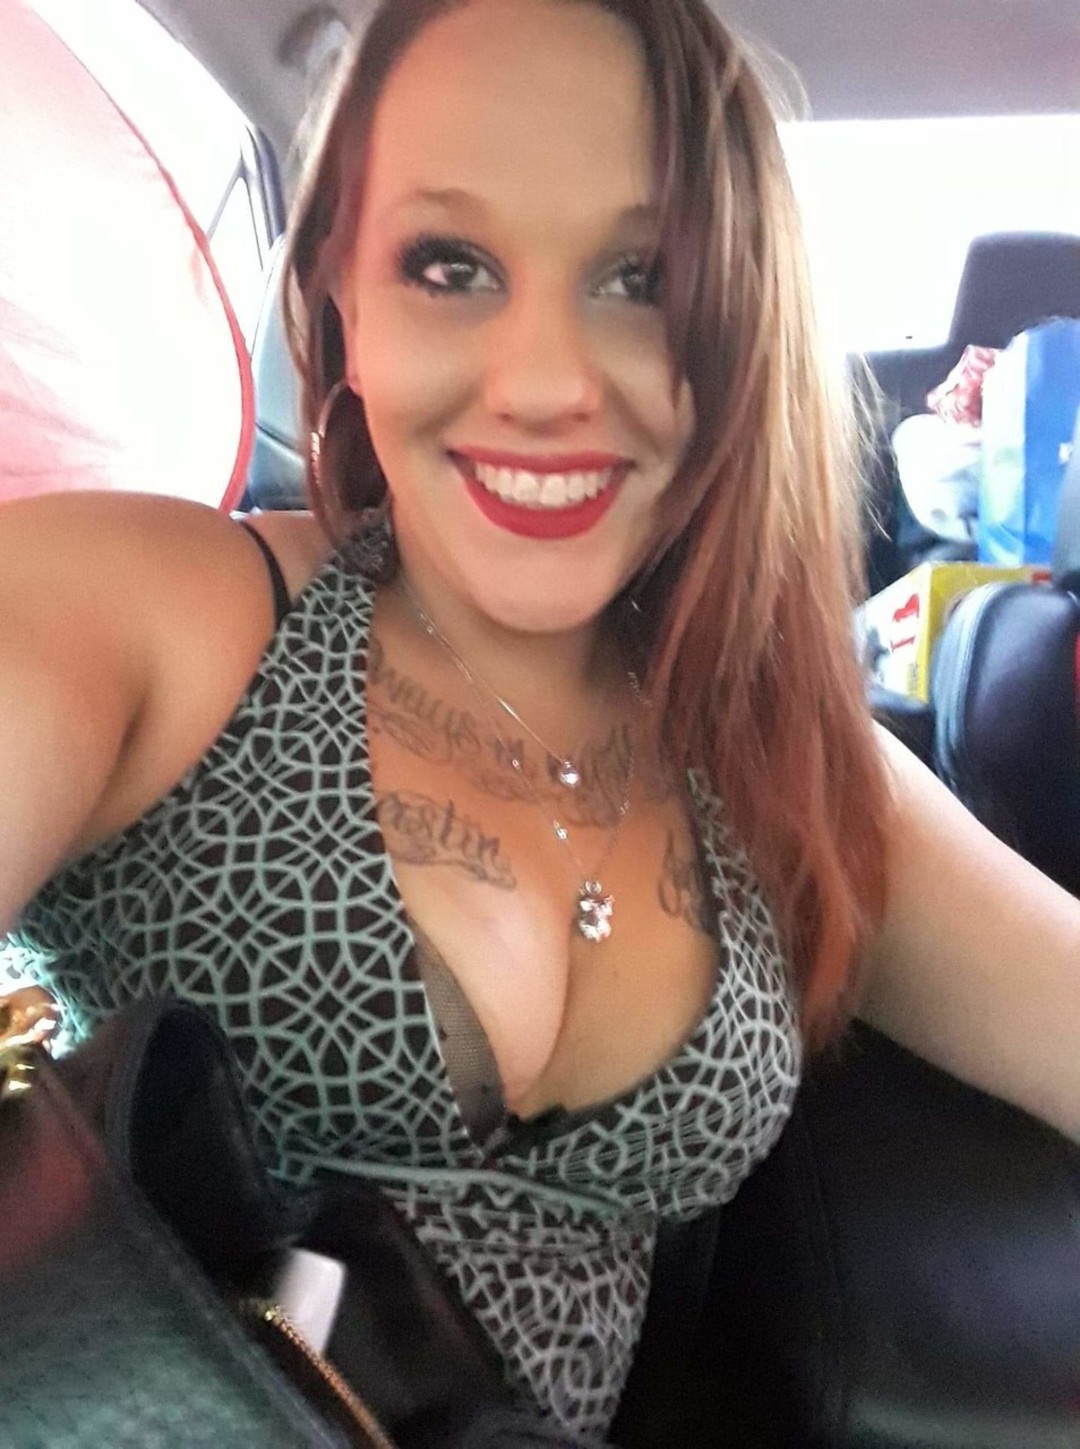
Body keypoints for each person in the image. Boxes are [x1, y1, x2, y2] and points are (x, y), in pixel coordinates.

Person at [2, 0, 1079, 1440]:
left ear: (737, 327)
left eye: (641, 277)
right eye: (449, 265)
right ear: (340, 299)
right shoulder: (154, 610)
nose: (549, 384)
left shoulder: (780, 757)